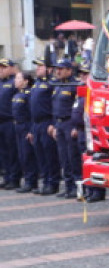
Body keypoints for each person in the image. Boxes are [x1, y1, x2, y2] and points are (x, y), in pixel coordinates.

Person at [71, 63, 105, 203]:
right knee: (83, 163)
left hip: (90, 132)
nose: (83, 76)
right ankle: (89, 190)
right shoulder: (82, 90)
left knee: (93, 161)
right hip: (80, 130)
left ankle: (97, 191)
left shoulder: (95, 91)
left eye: (86, 74)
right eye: (81, 74)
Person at [28, 59, 60, 196]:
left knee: (49, 155)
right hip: (36, 123)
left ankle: (53, 183)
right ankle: (46, 182)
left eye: (40, 66)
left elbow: (55, 105)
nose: (37, 69)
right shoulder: (36, 83)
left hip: (47, 122)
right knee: (40, 154)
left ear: (49, 68)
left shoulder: (51, 83)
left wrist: (53, 123)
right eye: (37, 66)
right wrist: (31, 128)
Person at [50, 59, 80, 199]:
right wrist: (55, 125)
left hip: (69, 123)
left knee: (72, 157)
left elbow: (78, 108)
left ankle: (76, 187)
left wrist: (75, 126)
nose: (58, 71)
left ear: (69, 70)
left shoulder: (75, 85)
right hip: (60, 124)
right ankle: (68, 187)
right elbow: (54, 107)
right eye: (57, 68)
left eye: (61, 68)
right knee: (63, 157)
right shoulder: (58, 85)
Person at [12, 70, 37, 194]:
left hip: (26, 127)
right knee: (21, 155)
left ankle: (31, 181)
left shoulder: (28, 94)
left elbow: (32, 114)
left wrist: (31, 130)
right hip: (18, 127)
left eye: (18, 78)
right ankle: (27, 179)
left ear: (26, 81)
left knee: (28, 155)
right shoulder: (17, 94)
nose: (15, 81)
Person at [0, 59, 22, 190]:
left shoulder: (14, 81)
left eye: (4, 67)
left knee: (12, 151)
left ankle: (14, 178)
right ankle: (7, 177)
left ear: (12, 68)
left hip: (9, 121)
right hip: (0, 122)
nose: (1, 69)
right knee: (3, 153)